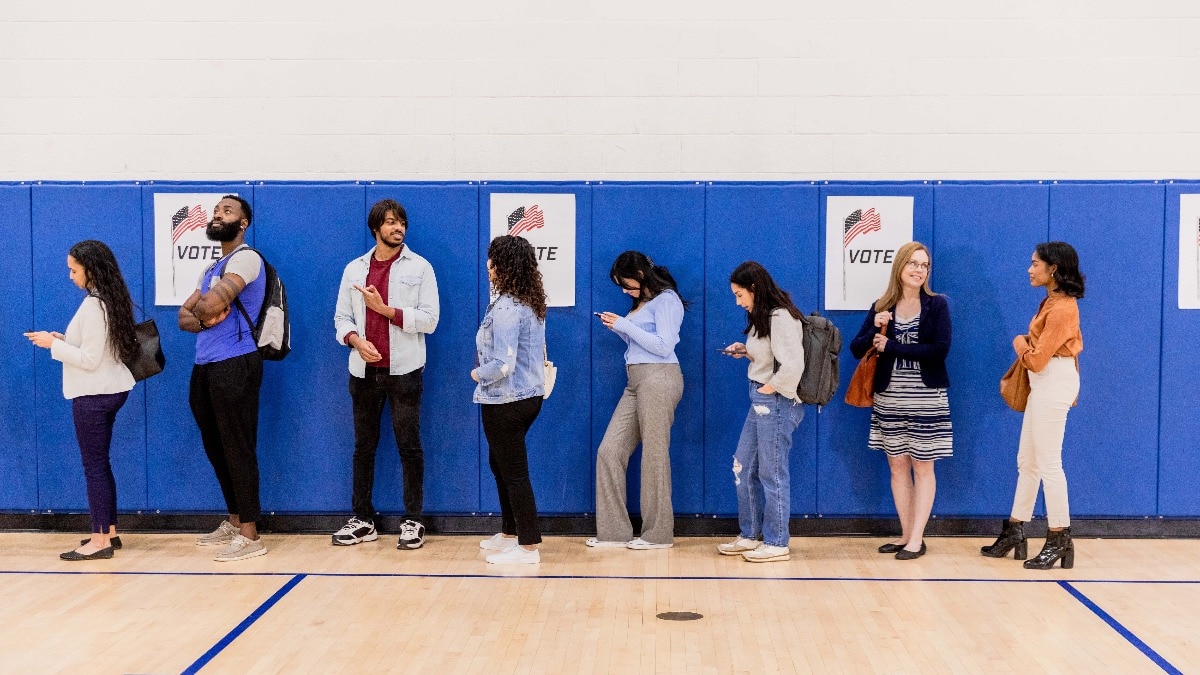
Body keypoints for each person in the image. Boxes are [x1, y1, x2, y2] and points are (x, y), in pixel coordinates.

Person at [332, 199, 440, 550]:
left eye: (402, 222)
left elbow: (430, 319)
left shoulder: (420, 268)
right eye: (391, 222)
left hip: (405, 371)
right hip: (363, 372)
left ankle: (413, 520)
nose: (398, 228)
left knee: (409, 446)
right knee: (364, 447)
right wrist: (355, 341)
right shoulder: (354, 269)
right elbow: (340, 319)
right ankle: (363, 519)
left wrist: (386, 310)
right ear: (376, 228)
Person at [26, 241, 137, 561]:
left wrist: (51, 344)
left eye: (74, 269)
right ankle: (110, 531)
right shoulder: (110, 300)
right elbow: (98, 347)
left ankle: (100, 539)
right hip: (111, 388)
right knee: (101, 464)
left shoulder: (94, 305)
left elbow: (89, 360)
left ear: (91, 269)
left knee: (94, 467)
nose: (70, 275)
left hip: (94, 393)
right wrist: (62, 340)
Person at [982, 241, 1084, 570]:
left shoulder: (1062, 307)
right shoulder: (1051, 302)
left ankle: (1059, 537)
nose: (1030, 269)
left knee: (1049, 464)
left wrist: (1018, 343)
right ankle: (1015, 530)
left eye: (1035, 264)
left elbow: (1038, 360)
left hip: (1052, 381)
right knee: (1028, 461)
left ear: (1053, 268)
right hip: (1049, 382)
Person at [178, 194, 269, 562]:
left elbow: (207, 305)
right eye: (216, 211)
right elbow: (185, 317)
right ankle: (234, 519)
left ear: (243, 223)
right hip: (206, 365)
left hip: (236, 362)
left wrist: (203, 310)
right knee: (216, 446)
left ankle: (250, 535)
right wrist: (203, 314)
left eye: (227, 211)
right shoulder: (213, 267)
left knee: (237, 445)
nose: (218, 215)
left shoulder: (247, 258)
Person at [849, 242, 952, 561]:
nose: (919, 270)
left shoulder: (937, 305)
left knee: (923, 467)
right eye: (914, 263)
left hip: (926, 399)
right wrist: (875, 329)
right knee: (897, 466)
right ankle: (907, 534)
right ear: (900, 267)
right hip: (889, 399)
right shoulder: (882, 305)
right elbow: (857, 349)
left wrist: (891, 346)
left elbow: (939, 350)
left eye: (925, 265)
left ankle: (917, 539)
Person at [587, 251, 685, 550]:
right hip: (636, 380)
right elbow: (641, 345)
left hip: (660, 378)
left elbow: (664, 346)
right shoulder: (642, 303)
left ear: (641, 275)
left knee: (655, 454)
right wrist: (620, 328)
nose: (624, 290)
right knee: (609, 451)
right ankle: (614, 533)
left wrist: (625, 326)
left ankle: (658, 535)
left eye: (626, 283)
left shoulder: (667, 300)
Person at [717, 261, 806, 563]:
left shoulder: (780, 316)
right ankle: (750, 534)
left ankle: (777, 541)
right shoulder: (762, 316)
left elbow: (793, 364)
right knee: (743, 466)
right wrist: (745, 351)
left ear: (754, 288)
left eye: (740, 294)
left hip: (776, 401)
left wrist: (769, 389)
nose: (738, 301)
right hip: (761, 398)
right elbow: (769, 357)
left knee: (772, 470)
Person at [472, 235, 548, 565]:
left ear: (503, 266)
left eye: (492, 262)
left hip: (507, 399)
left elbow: (503, 365)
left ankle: (528, 546)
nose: (488, 268)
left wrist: (477, 375)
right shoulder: (526, 302)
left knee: (514, 471)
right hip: (525, 395)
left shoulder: (506, 309)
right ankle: (509, 532)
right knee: (500, 463)